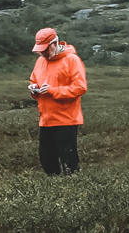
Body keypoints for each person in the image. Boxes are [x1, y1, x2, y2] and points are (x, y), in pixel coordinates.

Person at [27, 26, 87, 175]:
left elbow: (80, 87)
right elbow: (34, 80)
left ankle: (74, 191)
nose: (43, 53)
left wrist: (54, 90)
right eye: (40, 50)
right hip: (46, 120)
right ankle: (54, 193)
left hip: (66, 120)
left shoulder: (72, 60)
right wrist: (34, 89)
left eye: (46, 49)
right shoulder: (40, 61)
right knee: (47, 160)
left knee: (69, 162)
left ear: (55, 43)